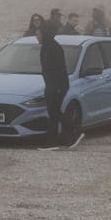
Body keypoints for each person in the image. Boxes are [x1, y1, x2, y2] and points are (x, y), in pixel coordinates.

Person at [37, 20, 70, 151]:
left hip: (56, 85)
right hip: (52, 85)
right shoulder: (46, 47)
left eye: (38, 34)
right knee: (54, 113)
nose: (36, 36)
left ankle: (56, 140)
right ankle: (61, 139)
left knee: (54, 112)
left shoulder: (53, 48)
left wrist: (55, 88)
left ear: (45, 34)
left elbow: (58, 70)